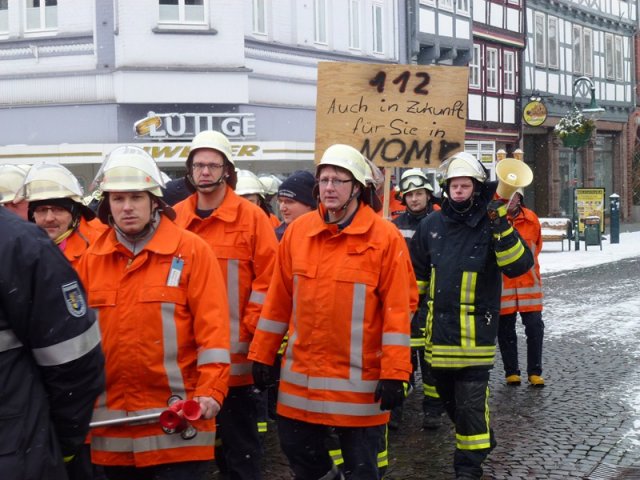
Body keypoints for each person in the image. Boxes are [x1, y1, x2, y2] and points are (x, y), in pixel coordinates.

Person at [248, 143, 417, 480]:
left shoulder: (384, 238)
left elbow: (399, 311)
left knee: (363, 469)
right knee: (298, 453)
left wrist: (396, 373)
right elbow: (278, 301)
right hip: (302, 380)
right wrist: (262, 355)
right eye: (324, 180)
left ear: (357, 187)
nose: (328, 188)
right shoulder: (298, 232)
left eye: (339, 180)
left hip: (360, 381)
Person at [76, 146, 231, 479]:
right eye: (118, 199)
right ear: (107, 206)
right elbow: (82, 343)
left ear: (154, 201)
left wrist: (210, 392)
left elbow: (214, 333)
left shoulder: (190, 251)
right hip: (113, 428)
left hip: (178, 423)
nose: (127, 207)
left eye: (136, 197)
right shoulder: (93, 259)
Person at [409, 151, 533, 480]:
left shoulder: (492, 223)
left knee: (469, 406)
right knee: (452, 404)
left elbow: (519, 265)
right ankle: (480, 441)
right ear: (446, 188)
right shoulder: (430, 226)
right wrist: (412, 320)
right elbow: (417, 278)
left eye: (465, 185)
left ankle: (468, 467)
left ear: (477, 188)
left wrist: (501, 225)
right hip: (438, 339)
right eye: (454, 185)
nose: (459, 191)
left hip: (476, 337)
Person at [173, 130, 278, 480]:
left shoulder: (251, 218)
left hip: (238, 360)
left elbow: (269, 283)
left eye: (212, 165)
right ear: (189, 170)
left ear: (226, 170)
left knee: (241, 451)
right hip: (190, 363)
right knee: (193, 454)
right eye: (198, 165)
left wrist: (250, 333)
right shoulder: (174, 220)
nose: (205, 172)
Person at [0, 205, 105, 480]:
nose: (49, 218)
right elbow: (75, 361)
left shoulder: (21, 244)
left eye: (56, 208)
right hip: (16, 449)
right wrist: (62, 439)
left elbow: (72, 357)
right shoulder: (19, 243)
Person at [390, 168, 444, 431]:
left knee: (431, 361)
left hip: (433, 302)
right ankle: (395, 410)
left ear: (428, 194)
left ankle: (433, 411)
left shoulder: (440, 222)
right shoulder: (394, 227)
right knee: (400, 360)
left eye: (419, 193)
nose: (414, 199)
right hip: (402, 302)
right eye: (409, 194)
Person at [497, 188, 545, 387]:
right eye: (506, 197)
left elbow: (537, 247)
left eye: (514, 196)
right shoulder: (495, 220)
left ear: (520, 198)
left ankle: (534, 372)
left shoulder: (532, 219)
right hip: (503, 285)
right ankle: (511, 372)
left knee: (535, 328)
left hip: (529, 285)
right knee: (505, 330)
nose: (510, 200)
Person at [21, 162, 104, 267]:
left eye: (58, 209)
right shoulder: (21, 248)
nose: (49, 218)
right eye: (42, 210)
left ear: (75, 212)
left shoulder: (101, 246)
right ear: (32, 215)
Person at [274, 169, 316, 240]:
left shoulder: (324, 235)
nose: (282, 208)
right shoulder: (275, 237)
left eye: (289, 202)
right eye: (280, 201)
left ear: (309, 205)